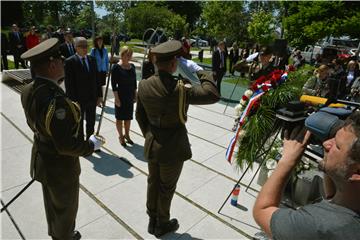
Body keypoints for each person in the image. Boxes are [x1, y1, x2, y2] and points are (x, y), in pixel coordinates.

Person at [20, 38, 104, 240]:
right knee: (65, 211)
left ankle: (58, 235)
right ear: (51, 65)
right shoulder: (56, 102)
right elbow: (66, 145)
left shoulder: (29, 89)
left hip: (43, 158)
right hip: (60, 167)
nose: (62, 63)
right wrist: (90, 146)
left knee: (53, 208)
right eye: (59, 60)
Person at [135, 40, 220, 238]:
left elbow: (140, 116)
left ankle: (152, 219)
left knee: (153, 182)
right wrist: (198, 70)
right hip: (173, 147)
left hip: (152, 143)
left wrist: (149, 135)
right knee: (166, 188)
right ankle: (162, 223)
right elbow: (212, 93)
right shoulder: (180, 88)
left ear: (156, 62)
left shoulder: (144, 84)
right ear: (174, 63)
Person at [253, 111, 360, 240]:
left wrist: (287, 161)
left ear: (357, 173)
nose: (326, 144)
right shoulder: (351, 205)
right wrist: (329, 160)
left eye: (337, 146)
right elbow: (333, 198)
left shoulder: (319, 224)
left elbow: (262, 210)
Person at [64, 37, 103, 141]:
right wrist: (72, 101)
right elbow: (69, 84)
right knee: (79, 123)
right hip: (78, 100)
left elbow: (97, 80)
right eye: (82, 46)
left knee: (91, 122)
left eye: (86, 46)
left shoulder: (92, 60)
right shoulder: (70, 62)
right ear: (76, 47)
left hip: (92, 98)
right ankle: (81, 143)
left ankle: (91, 142)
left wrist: (100, 95)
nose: (85, 48)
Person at [111, 46, 137, 147]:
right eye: (127, 55)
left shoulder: (132, 67)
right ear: (122, 55)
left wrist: (135, 95)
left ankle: (127, 134)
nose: (129, 57)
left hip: (130, 96)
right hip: (120, 96)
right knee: (119, 118)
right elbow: (114, 86)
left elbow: (134, 83)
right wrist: (117, 99)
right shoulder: (116, 67)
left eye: (130, 55)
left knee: (128, 118)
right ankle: (121, 136)